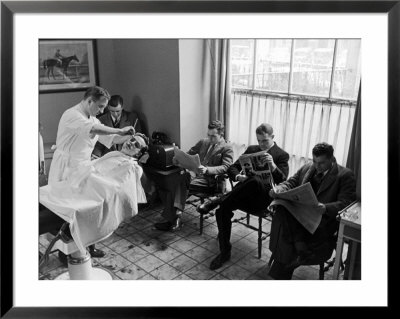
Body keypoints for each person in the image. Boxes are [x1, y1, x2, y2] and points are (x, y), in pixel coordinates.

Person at [48, 86, 135, 259]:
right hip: (66, 168)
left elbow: (111, 138)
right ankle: (66, 253)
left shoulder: (93, 119)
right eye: (101, 106)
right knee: (71, 210)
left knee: (91, 206)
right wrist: (119, 129)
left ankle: (88, 245)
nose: (102, 110)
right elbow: (94, 130)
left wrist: (130, 135)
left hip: (83, 166)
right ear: (89, 101)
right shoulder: (72, 115)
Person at [199, 123, 290, 270]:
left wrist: (273, 166)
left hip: (262, 200)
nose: (261, 144)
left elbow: (284, 181)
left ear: (273, 137)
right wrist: (238, 176)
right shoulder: (252, 149)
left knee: (253, 180)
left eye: (265, 141)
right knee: (222, 210)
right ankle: (225, 252)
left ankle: (218, 199)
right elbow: (233, 167)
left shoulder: (281, 155)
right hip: (242, 195)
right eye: (259, 140)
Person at [41, 134, 149, 256]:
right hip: (80, 190)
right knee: (44, 195)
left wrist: (91, 174)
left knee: (51, 212)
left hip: (91, 199)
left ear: (139, 153)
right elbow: (95, 168)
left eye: (136, 145)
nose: (131, 143)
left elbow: (115, 188)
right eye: (132, 139)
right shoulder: (114, 154)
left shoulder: (132, 167)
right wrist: (88, 167)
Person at [267, 142, 356, 279]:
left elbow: (346, 203)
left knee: (285, 241)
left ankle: (293, 255)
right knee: (281, 208)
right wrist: (279, 189)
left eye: (321, 163)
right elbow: (291, 182)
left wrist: (326, 207)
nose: (316, 166)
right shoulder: (308, 167)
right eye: (314, 161)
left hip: (322, 222)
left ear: (332, 159)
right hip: (301, 217)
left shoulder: (345, 175)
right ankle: (300, 248)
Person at [153, 120, 234, 231]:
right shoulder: (203, 142)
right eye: (208, 135)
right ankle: (175, 217)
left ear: (221, 135)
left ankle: (174, 218)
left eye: (213, 136)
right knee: (179, 180)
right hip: (196, 176)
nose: (210, 139)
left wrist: (207, 170)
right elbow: (188, 154)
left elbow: (225, 167)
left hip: (212, 181)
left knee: (180, 183)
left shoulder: (227, 148)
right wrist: (177, 160)